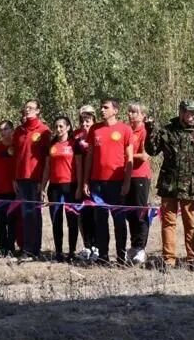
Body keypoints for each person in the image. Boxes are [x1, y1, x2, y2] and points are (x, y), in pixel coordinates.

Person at [145, 99, 194, 272]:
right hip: (170, 184)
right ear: (181, 112)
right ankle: (169, 259)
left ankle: (192, 258)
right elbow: (152, 150)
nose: (192, 116)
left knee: (190, 223)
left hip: (191, 185)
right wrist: (150, 129)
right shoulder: (168, 131)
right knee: (168, 222)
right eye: (188, 112)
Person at [82, 98, 133, 265]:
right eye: (101, 107)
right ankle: (103, 256)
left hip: (116, 182)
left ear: (115, 110)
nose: (102, 110)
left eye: (106, 107)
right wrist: (86, 180)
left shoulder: (125, 129)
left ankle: (120, 257)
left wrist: (126, 182)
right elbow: (89, 157)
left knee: (119, 220)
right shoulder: (95, 130)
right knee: (101, 220)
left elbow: (129, 158)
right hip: (97, 182)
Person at [12, 99, 50, 259]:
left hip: (35, 179)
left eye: (31, 108)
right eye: (25, 107)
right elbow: (16, 156)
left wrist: (43, 183)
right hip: (21, 178)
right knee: (24, 214)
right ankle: (27, 248)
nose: (27, 110)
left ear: (38, 111)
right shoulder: (19, 131)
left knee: (33, 214)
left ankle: (34, 249)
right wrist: (14, 178)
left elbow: (47, 159)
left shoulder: (44, 131)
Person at [42, 116, 78, 262]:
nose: (58, 129)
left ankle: (72, 251)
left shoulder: (74, 144)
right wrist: (43, 187)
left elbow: (80, 166)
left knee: (72, 220)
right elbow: (47, 167)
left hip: (70, 186)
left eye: (61, 126)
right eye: (56, 126)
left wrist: (81, 185)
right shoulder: (52, 145)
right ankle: (58, 252)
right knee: (57, 220)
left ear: (68, 127)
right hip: (55, 188)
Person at [126, 103, 153, 266]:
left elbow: (145, 156)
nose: (131, 114)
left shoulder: (145, 132)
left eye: (135, 112)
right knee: (129, 212)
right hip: (126, 175)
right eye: (129, 111)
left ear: (143, 115)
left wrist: (127, 155)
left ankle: (141, 247)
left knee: (140, 212)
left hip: (140, 176)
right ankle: (134, 245)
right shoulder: (127, 130)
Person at [0, 121, 19, 257]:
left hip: (14, 190)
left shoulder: (18, 146)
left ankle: (11, 249)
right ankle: (2, 249)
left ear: (12, 130)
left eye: (6, 129)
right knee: (0, 221)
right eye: (1, 129)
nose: (3, 132)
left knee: (12, 221)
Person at [73, 106, 97, 261]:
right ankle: (87, 245)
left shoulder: (98, 134)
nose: (84, 124)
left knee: (96, 214)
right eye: (82, 121)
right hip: (77, 179)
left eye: (88, 121)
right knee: (82, 214)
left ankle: (97, 246)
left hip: (96, 179)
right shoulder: (75, 136)